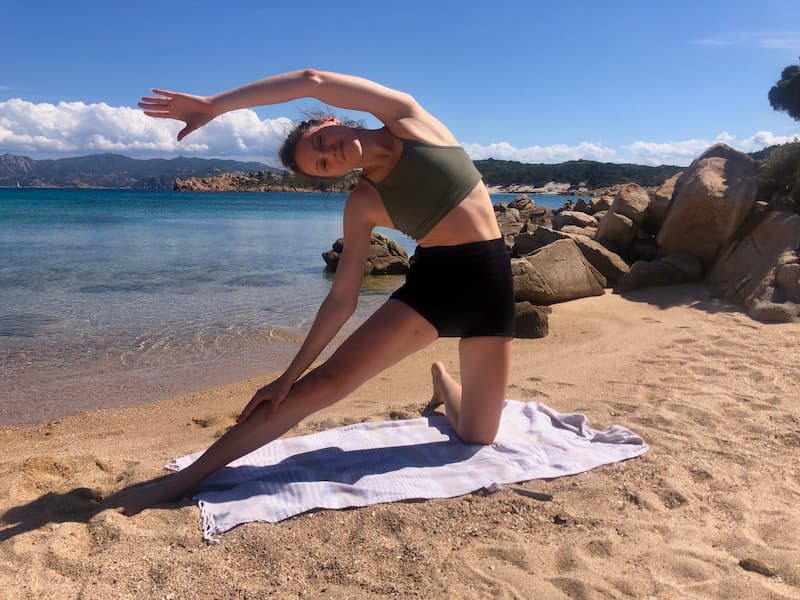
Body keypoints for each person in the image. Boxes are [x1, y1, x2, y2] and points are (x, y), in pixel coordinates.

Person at [113, 69, 514, 515]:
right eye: (322, 164)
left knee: (479, 436)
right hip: (434, 288)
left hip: (491, 284)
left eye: (322, 143)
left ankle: (442, 378)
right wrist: (287, 377)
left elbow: (311, 79)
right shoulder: (362, 203)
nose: (331, 154)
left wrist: (214, 105)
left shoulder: (407, 118)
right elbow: (342, 299)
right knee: (323, 384)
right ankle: (184, 480)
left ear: (330, 121)